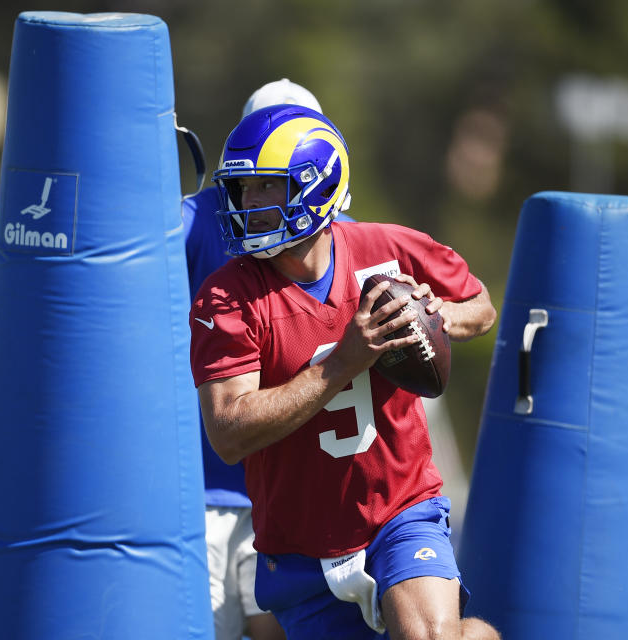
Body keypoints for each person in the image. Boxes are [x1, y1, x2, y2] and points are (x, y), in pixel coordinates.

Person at [189, 104, 500, 640]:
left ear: (315, 188)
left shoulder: (388, 250)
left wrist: (433, 318)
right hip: (298, 544)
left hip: (399, 510)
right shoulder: (226, 294)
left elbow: (480, 303)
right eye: (243, 190)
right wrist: (342, 362)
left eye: (267, 188)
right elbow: (228, 432)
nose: (250, 205)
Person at [184, 79, 356, 640]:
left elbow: (470, 305)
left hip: (284, 493)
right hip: (207, 483)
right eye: (252, 182)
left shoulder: (344, 239)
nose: (258, 198)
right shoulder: (191, 221)